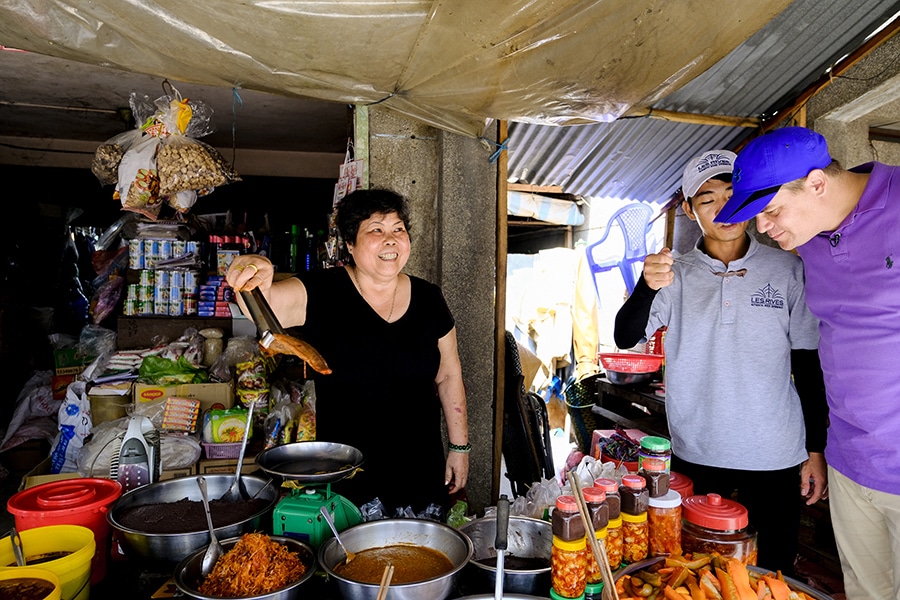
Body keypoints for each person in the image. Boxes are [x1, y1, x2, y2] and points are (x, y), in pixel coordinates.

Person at [613, 149, 828, 574]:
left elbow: (808, 364)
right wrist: (645, 286)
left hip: (775, 455)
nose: (725, 209)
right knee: (694, 572)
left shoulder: (788, 269)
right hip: (697, 450)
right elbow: (625, 336)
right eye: (708, 199)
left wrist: (815, 449)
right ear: (690, 210)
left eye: (734, 195)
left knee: (771, 573)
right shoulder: (674, 274)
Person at [715, 126, 900, 599]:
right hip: (850, 462)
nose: (763, 228)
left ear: (817, 183)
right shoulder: (810, 239)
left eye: (771, 211)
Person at [226, 188, 469, 515]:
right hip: (349, 477)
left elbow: (449, 375)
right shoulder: (324, 290)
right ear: (350, 244)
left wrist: (459, 447)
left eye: (398, 229)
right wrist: (255, 276)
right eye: (376, 230)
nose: (391, 240)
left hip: (420, 470)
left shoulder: (429, 299)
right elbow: (265, 306)